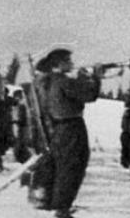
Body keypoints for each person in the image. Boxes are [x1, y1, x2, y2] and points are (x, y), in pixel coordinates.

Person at [36, 48, 102, 218]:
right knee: (73, 166)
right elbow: (89, 95)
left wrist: (82, 78)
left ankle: (53, 202)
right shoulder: (63, 81)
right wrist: (96, 77)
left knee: (61, 165)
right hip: (72, 127)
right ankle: (62, 209)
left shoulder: (49, 81)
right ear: (58, 63)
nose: (72, 63)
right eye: (68, 60)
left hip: (59, 128)